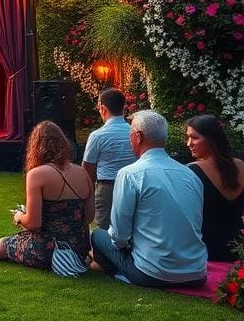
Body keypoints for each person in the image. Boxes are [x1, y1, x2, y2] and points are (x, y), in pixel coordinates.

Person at [0, 121, 93, 271]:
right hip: (79, 250)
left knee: (9, 243)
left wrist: (19, 216)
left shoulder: (37, 174)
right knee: (22, 237)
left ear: (36, 146)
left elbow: (34, 224)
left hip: (48, 251)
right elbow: (89, 217)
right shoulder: (83, 173)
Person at [91, 110, 207, 287]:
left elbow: (119, 236)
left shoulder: (130, 174)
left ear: (138, 137)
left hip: (153, 273)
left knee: (98, 235)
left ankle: (111, 269)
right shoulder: (190, 175)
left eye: (130, 134)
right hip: (196, 272)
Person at [186, 114, 244, 261]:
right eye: (188, 137)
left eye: (195, 137)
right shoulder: (240, 165)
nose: (189, 143)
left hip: (205, 249)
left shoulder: (192, 171)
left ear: (211, 139)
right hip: (237, 246)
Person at [81, 88, 135, 229]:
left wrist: (87, 197)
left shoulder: (98, 136)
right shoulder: (134, 133)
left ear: (103, 108)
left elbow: (87, 170)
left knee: (106, 230)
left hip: (108, 188)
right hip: (134, 185)